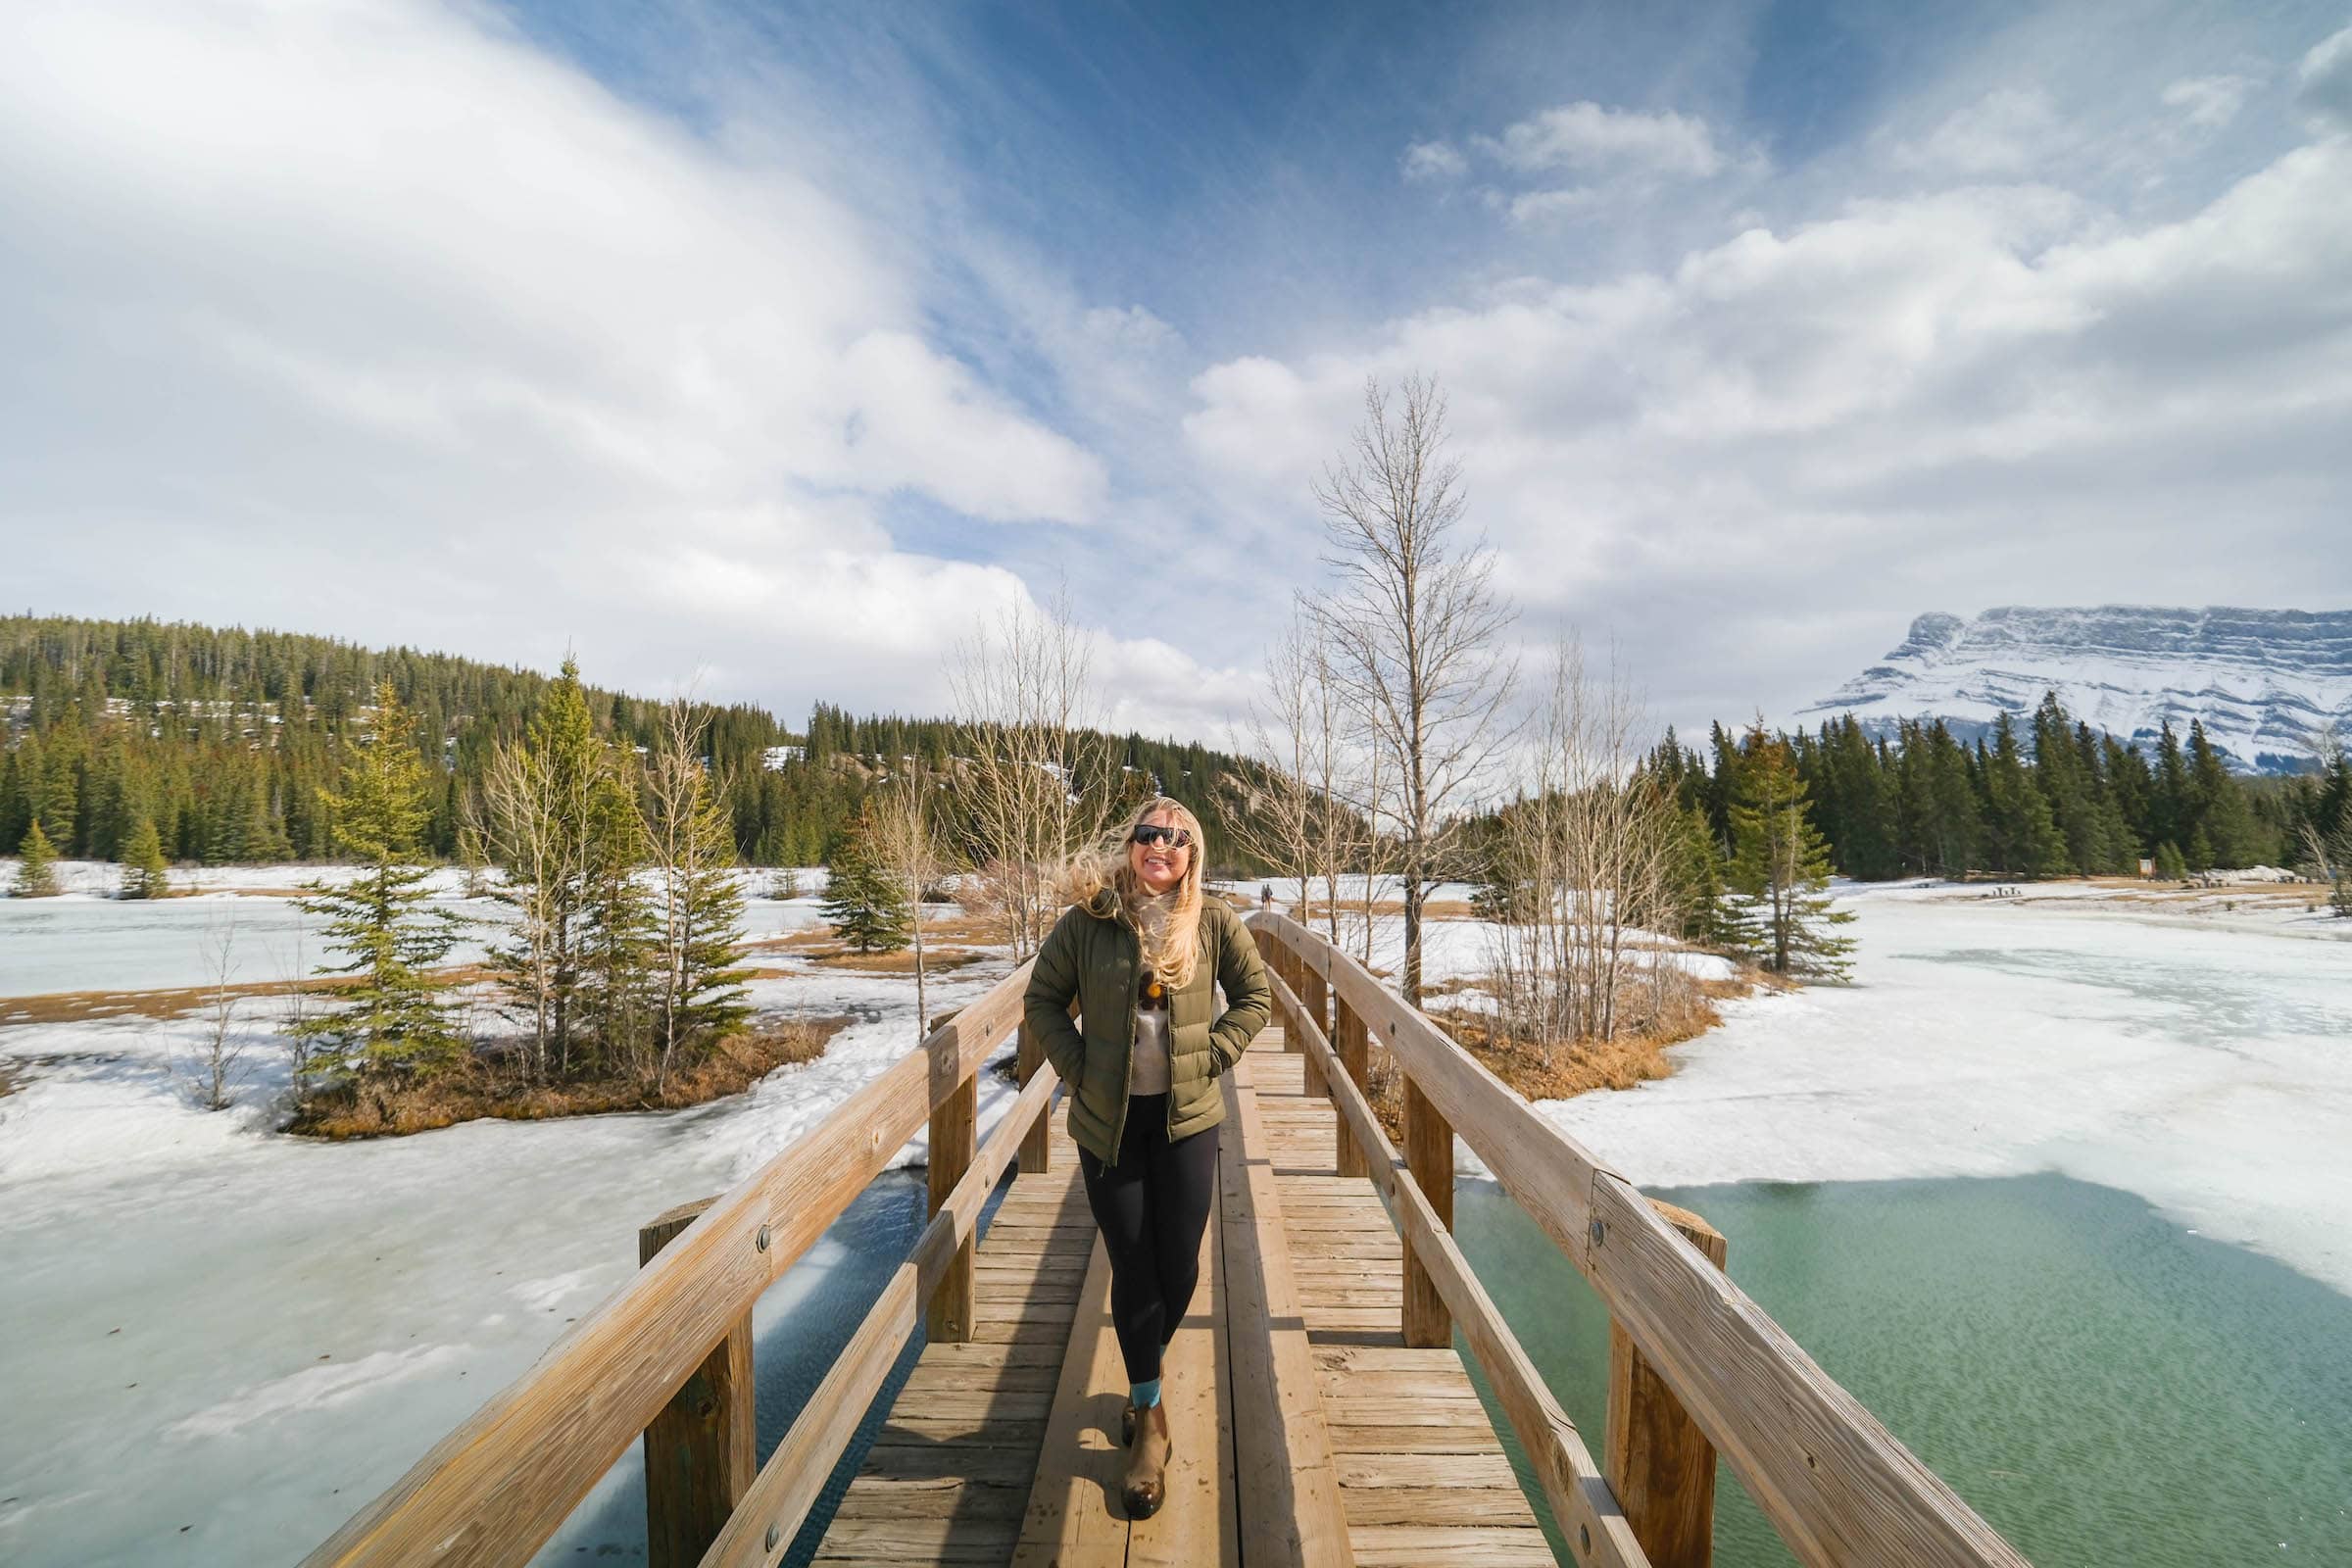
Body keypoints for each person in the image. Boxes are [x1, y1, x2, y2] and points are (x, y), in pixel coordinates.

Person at [1022, 796, 1271, 1519]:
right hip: (1110, 1125)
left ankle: (1142, 1371)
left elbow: (1254, 998)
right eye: (1148, 834)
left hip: (1187, 1120)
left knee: (1181, 1266)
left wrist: (1214, 1056)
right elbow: (1043, 1001)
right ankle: (1149, 1421)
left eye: (1177, 837)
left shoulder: (1216, 921)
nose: (1160, 845)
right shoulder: (1090, 921)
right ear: (1131, 845)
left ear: (1193, 854)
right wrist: (1079, 1068)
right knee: (1134, 1266)